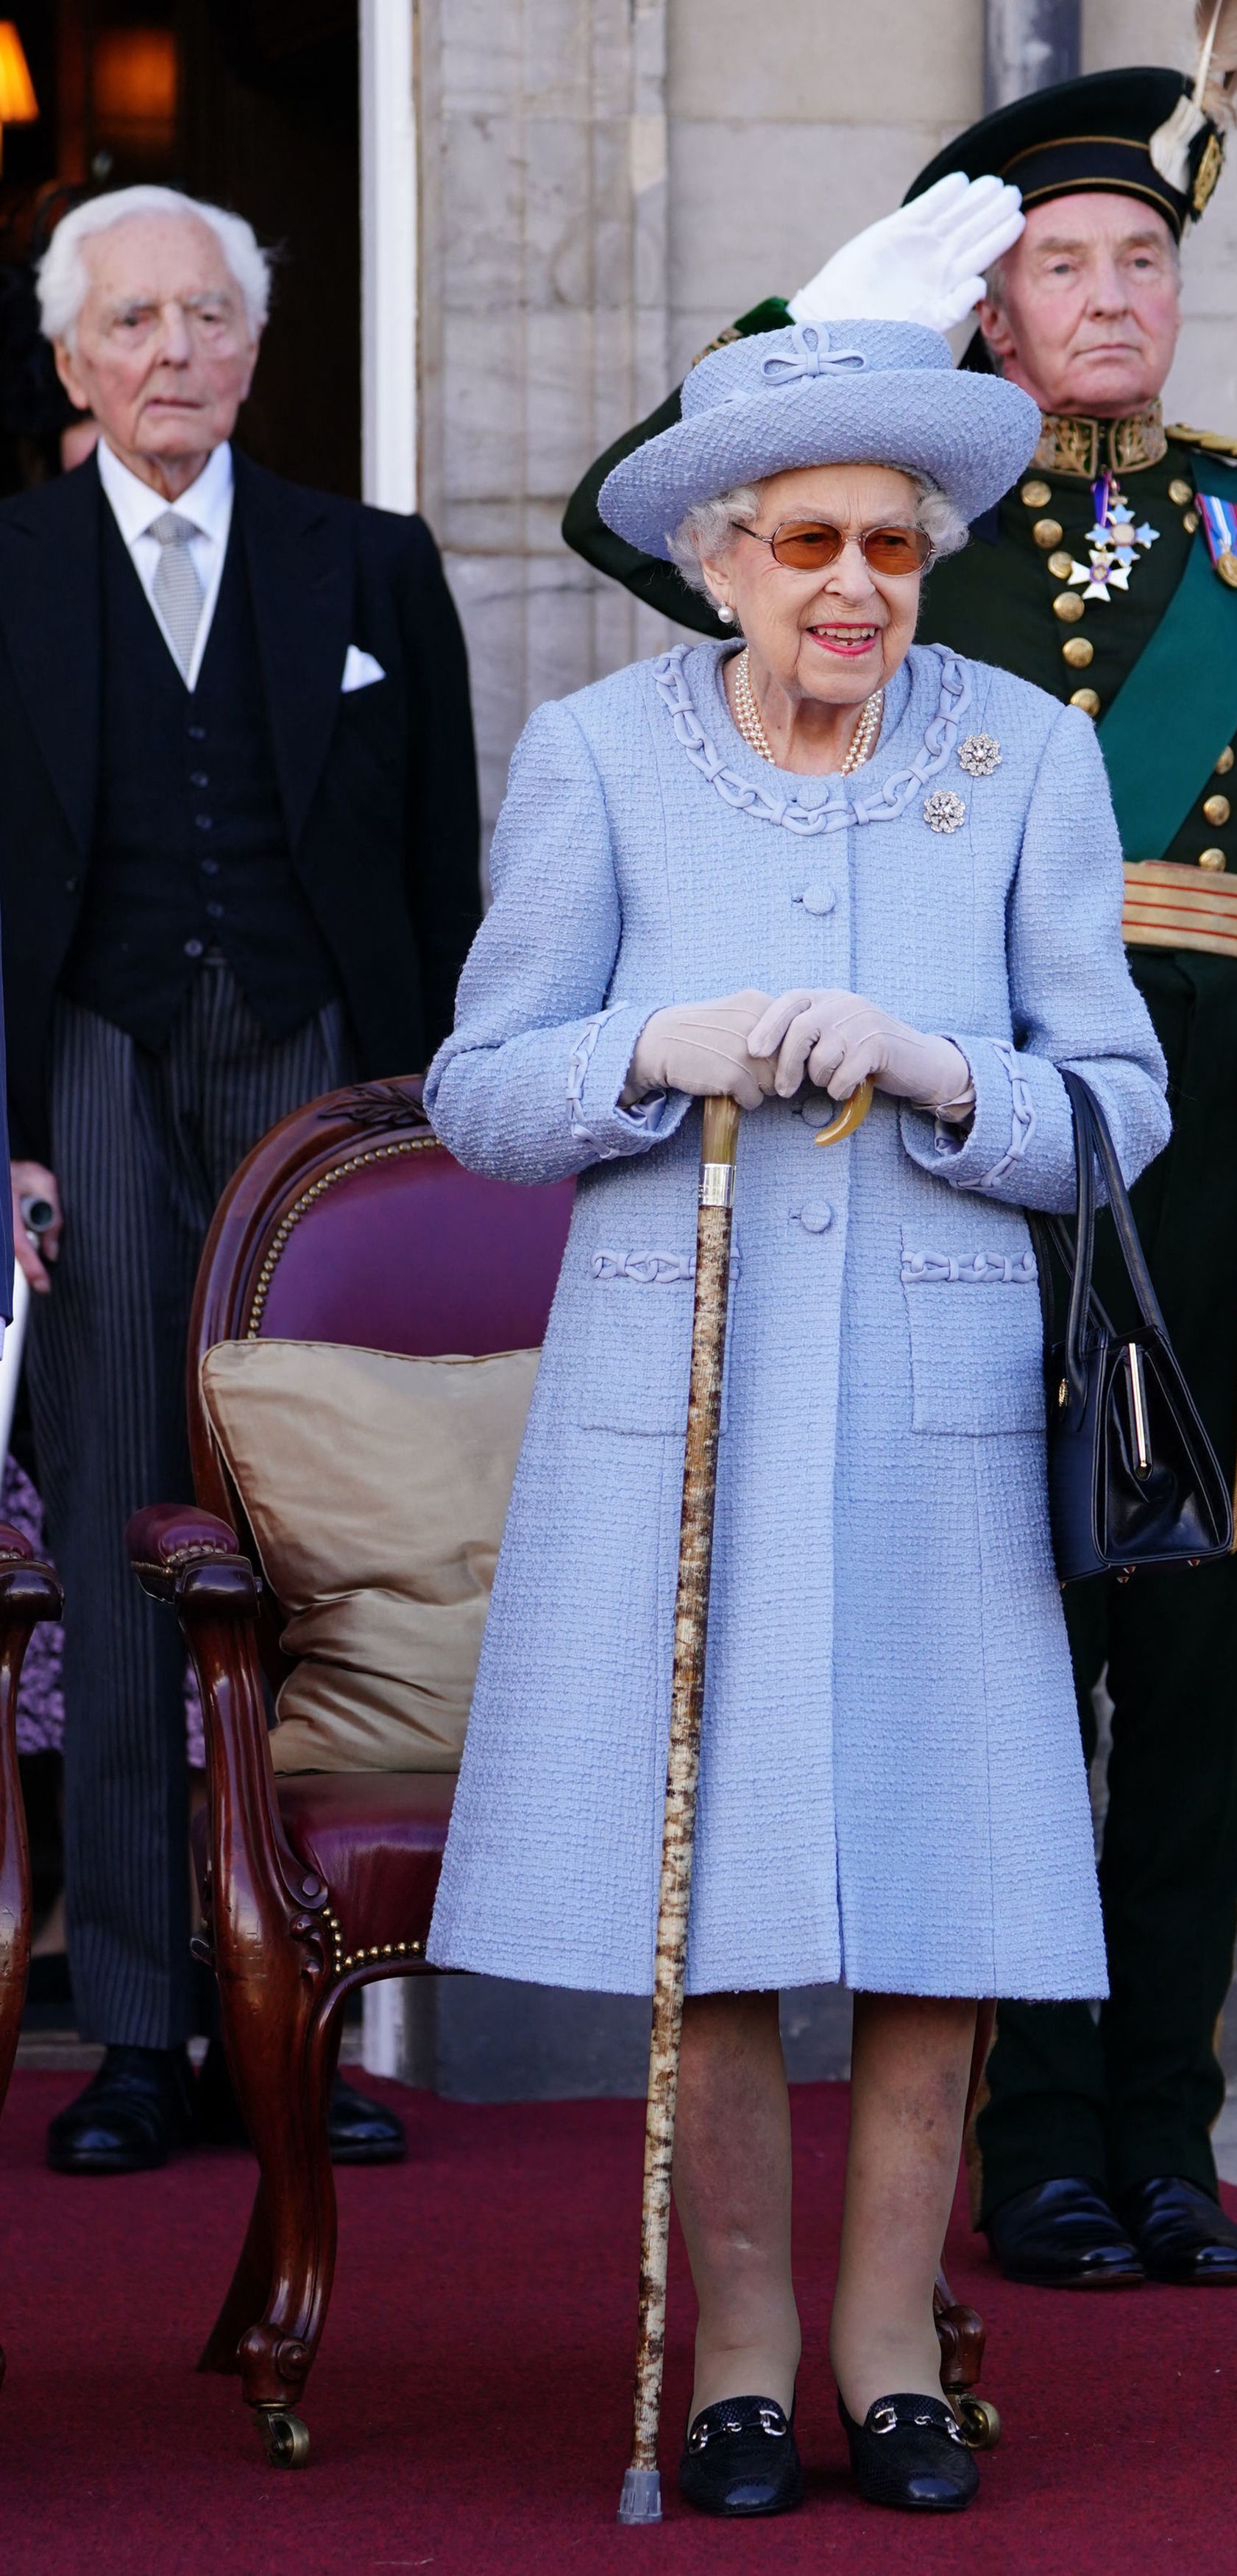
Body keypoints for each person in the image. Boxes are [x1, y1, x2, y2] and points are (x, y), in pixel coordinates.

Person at [562, 56, 1237, 2294]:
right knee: (1014, 1657)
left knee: (1191, 1667)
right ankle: (1029, 2139)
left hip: (1227, 1164)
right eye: (1058, 264)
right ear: (989, 307)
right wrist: (832, 307)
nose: (1107, 299)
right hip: (979, 1131)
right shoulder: (911, 501)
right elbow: (626, 514)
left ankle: (1167, 2130)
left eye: (1139, 262)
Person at [424, 316, 1169, 2516]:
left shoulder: (1027, 753)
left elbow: (1113, 1105)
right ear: (723, 559)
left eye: (894, 546)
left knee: (947, 1890)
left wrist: (951, 1078)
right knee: (713, 1894)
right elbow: (477, 1090)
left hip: (938, 1399)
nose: (856, 584)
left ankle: (890, 2349)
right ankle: (740, 2353)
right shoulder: (599, 752)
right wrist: (658, 1042)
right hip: (688, 1394)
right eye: (810, 542)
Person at [0, 185, 483, 2174]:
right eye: (135, 321)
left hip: (321, 1071)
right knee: (128, 1542)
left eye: (210, 315)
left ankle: (300, 2011)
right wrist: (6, 1131)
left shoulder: (368, 566)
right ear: (71, 362)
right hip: (92, 1078)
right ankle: (133, 2024)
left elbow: (446, 862)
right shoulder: (10, 567)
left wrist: (438, 1128)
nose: (176, 348)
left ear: (256, 349)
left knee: (305, 1545)